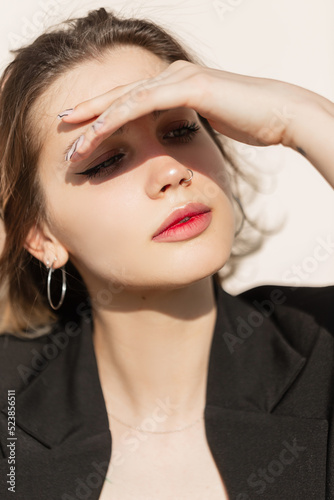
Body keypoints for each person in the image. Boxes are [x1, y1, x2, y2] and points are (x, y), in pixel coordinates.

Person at [0, 7, 333, 500]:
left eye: (180, 131)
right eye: (107, 159)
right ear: (40, 236)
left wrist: (302, 117)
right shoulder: (10, 406)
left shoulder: (322, 344)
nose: (171, 172)